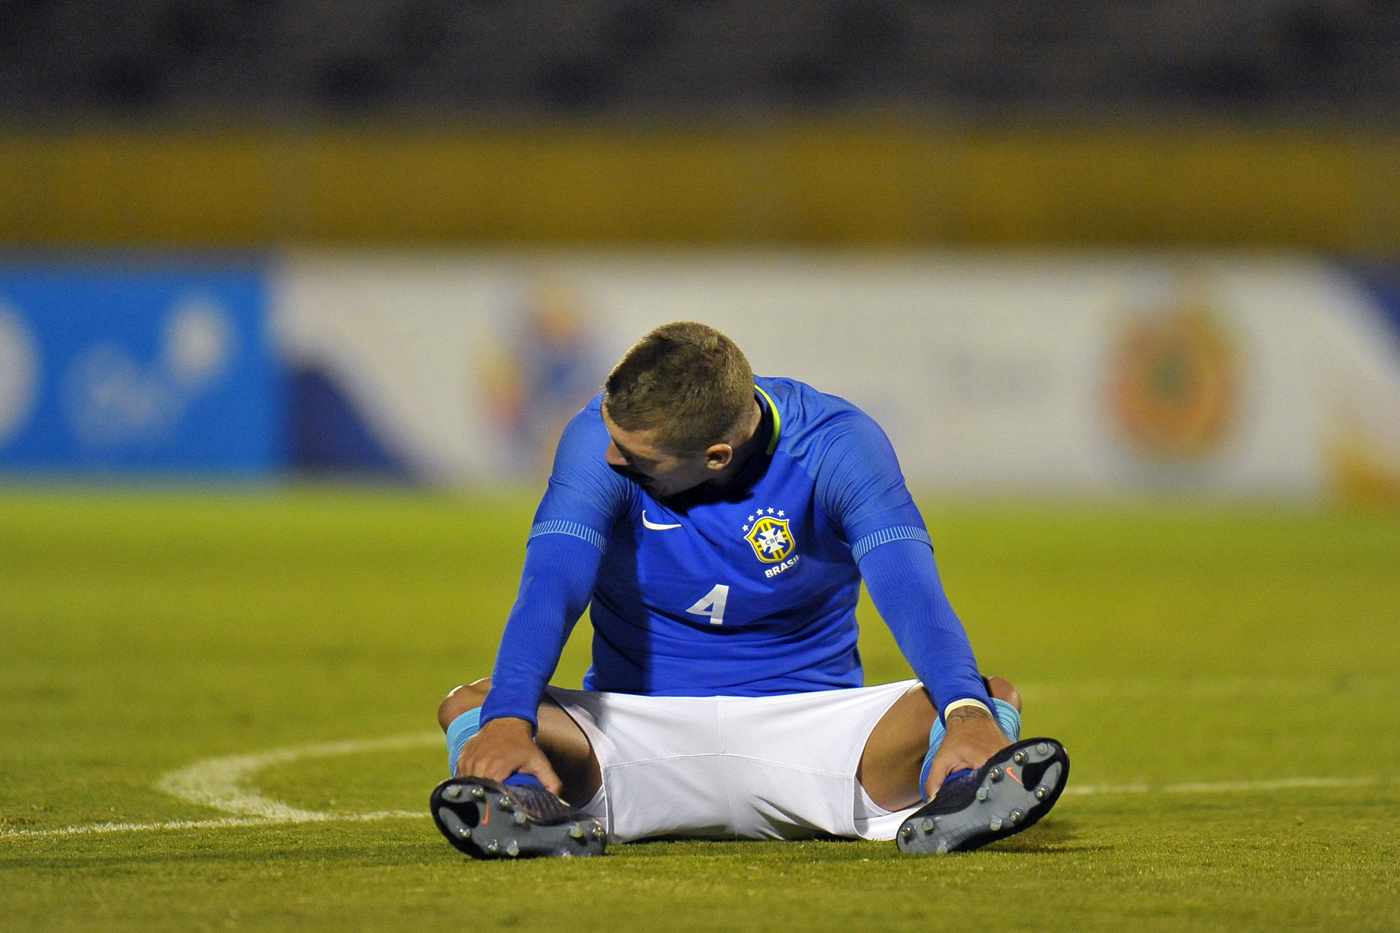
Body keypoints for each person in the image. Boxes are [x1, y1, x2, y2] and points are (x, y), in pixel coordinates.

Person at [430, 321, 1068, 858]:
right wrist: (511, 720)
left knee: (979, 700)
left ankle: (958, 792)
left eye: (639, 459)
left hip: (819, 735)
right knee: (476, 704)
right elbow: (554, 582)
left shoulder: (836, 446)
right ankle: (530, 804)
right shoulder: (599, 440)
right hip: (633, 732)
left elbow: (910, 589)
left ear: (715, 456)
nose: (612, 462)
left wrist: (965, 712)